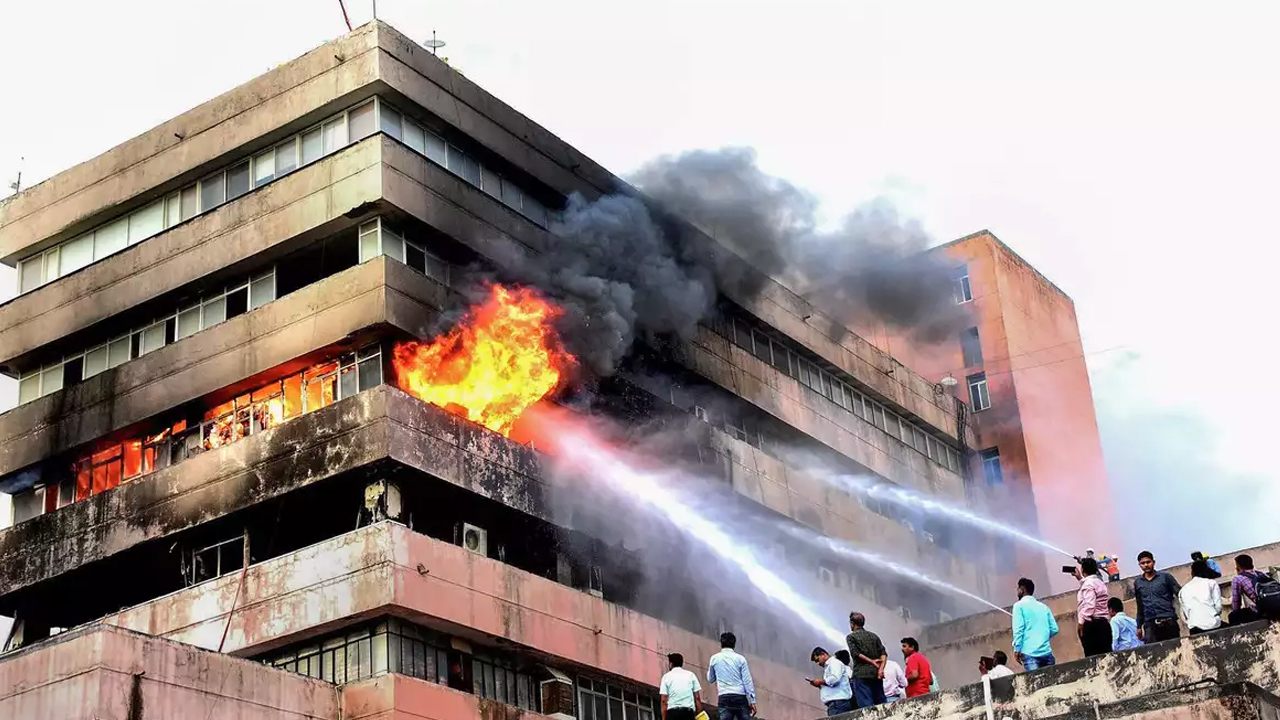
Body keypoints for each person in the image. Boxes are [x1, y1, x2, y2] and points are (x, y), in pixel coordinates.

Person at [1134, 550, 1182, 643]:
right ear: (1139, 565)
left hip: (1168, 621)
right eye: (1142, 563)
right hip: (1150, 626)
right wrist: (1139, 626)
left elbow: (1180, 594)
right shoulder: (1138, 583)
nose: (1146, 565)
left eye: (1148, 562)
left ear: (1153, 562)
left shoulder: (1165, 577)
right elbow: (1140, 605)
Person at [1012, 577, 1059, 671]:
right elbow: (1054, 629)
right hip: (1047, 653)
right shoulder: (1043, 607)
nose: (1017, 592)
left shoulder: (1018, 606)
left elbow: (1018, 630)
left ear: (1022, 589)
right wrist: (1042, 637)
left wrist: (1017, 649)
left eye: (1018, 589)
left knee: (1037, 684)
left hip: (1030, 654)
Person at [707, 633, 756, 720]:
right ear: (734, 644)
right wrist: (752, 701)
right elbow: (747, 681)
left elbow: (710, 679)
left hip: (724, 696)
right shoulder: (741, 659)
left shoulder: (714, 658)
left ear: (721, 643)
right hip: (740, 696)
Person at [845, 612, 888, 708]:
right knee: (882, 705)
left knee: (866, 706)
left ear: (852, 623)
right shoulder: (874, 636)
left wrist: (870, 661)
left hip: (861, 674)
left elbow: (855, 653)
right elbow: (883, 653)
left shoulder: (851, 637)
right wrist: (881, 669)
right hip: (876, 674)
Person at [1076, 558, 1113, 657]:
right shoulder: (1100, 583)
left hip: (1092, 626)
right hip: (1104, 624)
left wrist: (1081, 623)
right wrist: (1080, 579)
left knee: (1092, 659)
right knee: (1107, 658)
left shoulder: (1088, 585)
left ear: (1083, 570)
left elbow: (1089, 606)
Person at [1179, 559, 1223, 635]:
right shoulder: (1212, 583)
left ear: (1192, 572)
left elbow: (1186, 614)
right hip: (1214, 625)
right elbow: (1218, 607)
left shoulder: (1183, 590)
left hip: (1194, 629)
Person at [808, 647, 853, 716]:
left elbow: (835, 679)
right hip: (835, 704)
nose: (818, 663)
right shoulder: (828, 667)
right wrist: (820, 685)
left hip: (838, 704)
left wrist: (821, 682)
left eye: (817, 660)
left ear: (823, 654)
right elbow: (831, 685)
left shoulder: (834, 663)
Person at [661, 653, 703, 720]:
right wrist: (700, 714)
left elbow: (664, 700)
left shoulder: (666, 677)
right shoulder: (691, 675)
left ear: (671, 664)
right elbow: (697, 698)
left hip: (673, 713)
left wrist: (664, 718)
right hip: (688, 713)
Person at [1229, 554, 1268, 624]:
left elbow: (1236, 603)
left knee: (1233, 616)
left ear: (1238, 567)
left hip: (1264, 611)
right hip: (1276, 605)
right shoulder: (1261, 574)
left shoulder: (1238, 579)